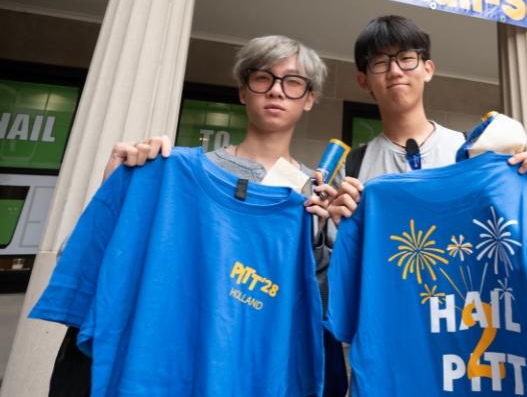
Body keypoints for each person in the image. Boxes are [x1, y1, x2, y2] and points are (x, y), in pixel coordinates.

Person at [48, 35, 347, 397]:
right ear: (243, 91)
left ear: (310, 98)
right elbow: (90, 259)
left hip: (247, 370)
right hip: (168, 358)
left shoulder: (313, 196)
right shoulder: (175, 168)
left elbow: (319, 313)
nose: (277, 91)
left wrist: (328, 239)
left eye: (294, 82)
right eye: (263, 78)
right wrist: (120, 190)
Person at [329, 15, 527, 224]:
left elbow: (511, 228)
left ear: (427, 69)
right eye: (379, 62)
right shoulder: (350, 169)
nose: (395, 71)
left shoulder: (474, 151)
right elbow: (332, 257)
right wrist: (338, 229)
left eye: (406, 58)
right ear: (363, 80)